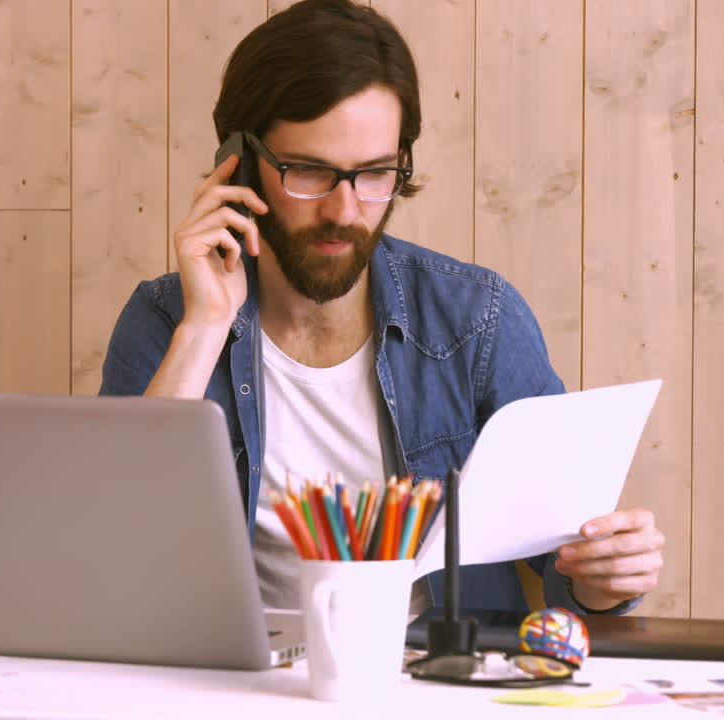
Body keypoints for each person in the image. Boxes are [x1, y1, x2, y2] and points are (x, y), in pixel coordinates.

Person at [100, 0, 664, 615]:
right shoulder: (167, 320)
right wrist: (206, 324)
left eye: (375, 173)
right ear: (237, 162)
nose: (345, 211)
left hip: (435, 685)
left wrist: (603, 576)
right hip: (237, 685)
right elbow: (117, 552)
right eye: (310, 171)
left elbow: (565, 561)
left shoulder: (476, 319)